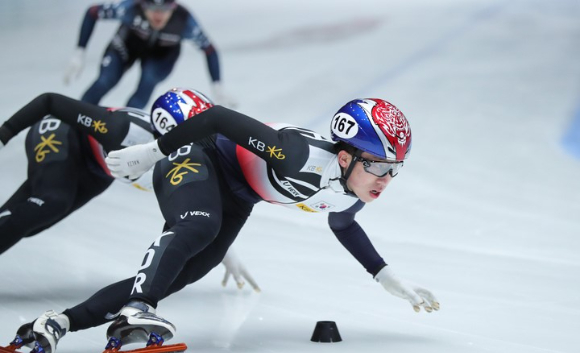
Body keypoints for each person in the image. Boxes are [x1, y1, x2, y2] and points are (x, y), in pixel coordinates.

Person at [4, 90, 439, 353]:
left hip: (238, 194)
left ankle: (59, 323)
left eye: (395, 168)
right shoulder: (296, 154)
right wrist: (155, 151)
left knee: (188, 271)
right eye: (380, 166)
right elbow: (215, 119)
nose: (387, 179)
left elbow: (342, 224)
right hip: (197, 153)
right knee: (198, 227)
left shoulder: (353, 189)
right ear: (345, 157)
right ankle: (138, 309)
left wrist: (386, 277)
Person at [0, 90, 258, 285]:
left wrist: (223, 249)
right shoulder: (122, 130)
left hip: (99, 169)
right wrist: (5, 132)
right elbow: (50, 102)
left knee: (33, 220)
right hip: (63, 131)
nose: (209, 145)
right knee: (51, 201)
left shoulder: (197, 156)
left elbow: (197, 205)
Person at [64, 0, 236, 109]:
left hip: (161, 56)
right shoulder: (130, 8)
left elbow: (209, 50)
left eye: (164, 9)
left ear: (173, 6)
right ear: (142, 4)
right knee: (105, 81)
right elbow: (92, 13)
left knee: (148, 80)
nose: (158, 15)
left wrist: (217, 86)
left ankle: (125, 127)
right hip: (126, 46)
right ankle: (75, 123)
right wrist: (79, 52)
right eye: (152, 8)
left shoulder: (184, 21)